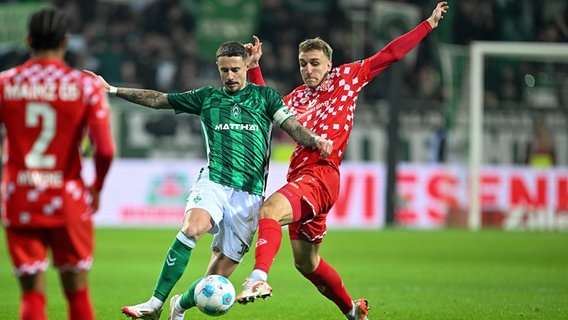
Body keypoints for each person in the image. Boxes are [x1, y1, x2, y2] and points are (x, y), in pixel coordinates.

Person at [84, 40, 333, 320]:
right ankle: (154, 304)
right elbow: (158, 100)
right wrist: (112, 90)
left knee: (213, 283)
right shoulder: (207, 98)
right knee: (192, 228)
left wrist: (315, 140)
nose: (229, 76)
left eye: (235, 69)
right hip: (214, 181)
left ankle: (179, 305)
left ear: (246, 66)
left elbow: (294, 128)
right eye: (224, 70)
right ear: (218, 68)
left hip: (249, 198)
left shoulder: (266, 98)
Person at [236, 2, 449, 320]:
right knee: (306, 264)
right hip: (301, 177)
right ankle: (353, 310)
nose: (308, 69)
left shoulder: (347, 78)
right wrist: (254, 67)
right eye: (303, 63)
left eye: (315, 63)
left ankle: (258, 279)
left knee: (269, 210)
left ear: (329, 63)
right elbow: (265, 105)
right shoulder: (295, 98)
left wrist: (428, 25)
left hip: (321, 176)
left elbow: (389, 55)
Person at [0, 8, 115, 320]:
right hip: (68, 199)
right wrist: (96, 188)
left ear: (27, 40)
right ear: (66, 42)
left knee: (32, 295)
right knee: (77, 294)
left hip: (19, 198)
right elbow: (104, 150)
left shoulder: (5, 84)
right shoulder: (85, 86)